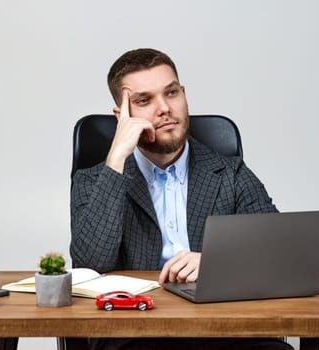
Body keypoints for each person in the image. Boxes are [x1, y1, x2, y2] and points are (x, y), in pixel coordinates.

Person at [70, 48, 292, 350]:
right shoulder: (94, 180)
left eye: (171, 93)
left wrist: (216, 263)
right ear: (122, 116)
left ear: (183, 95)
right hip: (135, 333)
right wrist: (117, 158)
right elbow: (90, 265)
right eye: (144, 100)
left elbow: (280, 250)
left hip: (226, 329)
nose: (164, 108)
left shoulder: (230, 172)